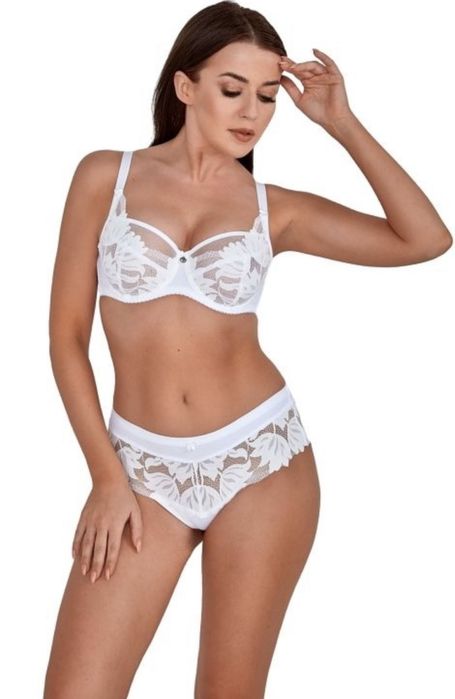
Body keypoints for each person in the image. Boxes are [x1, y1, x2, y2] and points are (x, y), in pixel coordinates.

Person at [43, 2, 452, 697]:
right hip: (140, 469)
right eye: (232, 89)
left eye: (266, 97)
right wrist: (107, 478)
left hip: (260, 459)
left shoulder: (273, 208)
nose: (251, 112)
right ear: (185, 86)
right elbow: (66, 338)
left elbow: (425, 238)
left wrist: (342, 124)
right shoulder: (104, 177)